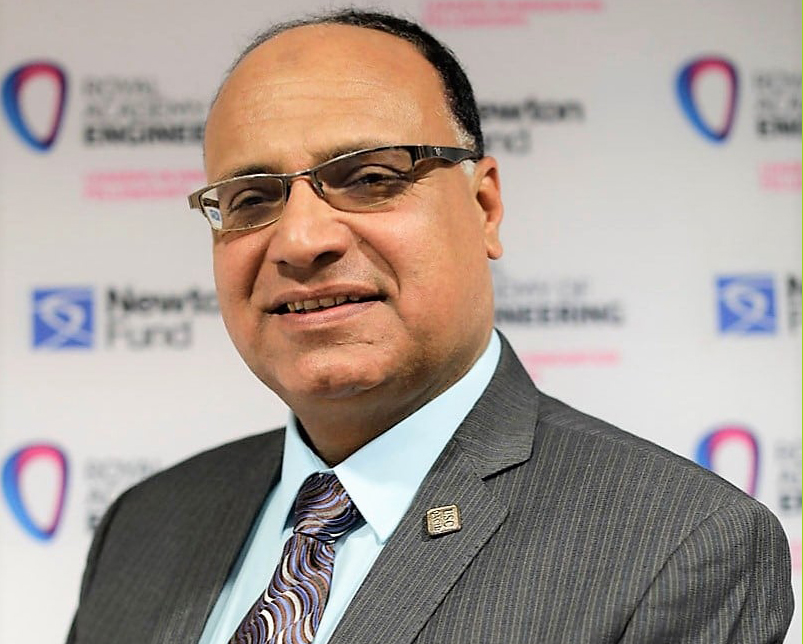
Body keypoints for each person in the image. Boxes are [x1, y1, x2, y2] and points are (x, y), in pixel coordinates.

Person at [67, 9, 794, 644]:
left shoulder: (675, 543)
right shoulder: (146, 526)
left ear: (484, 207)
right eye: (252, 198)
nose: (300, 240)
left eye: (370, 178)